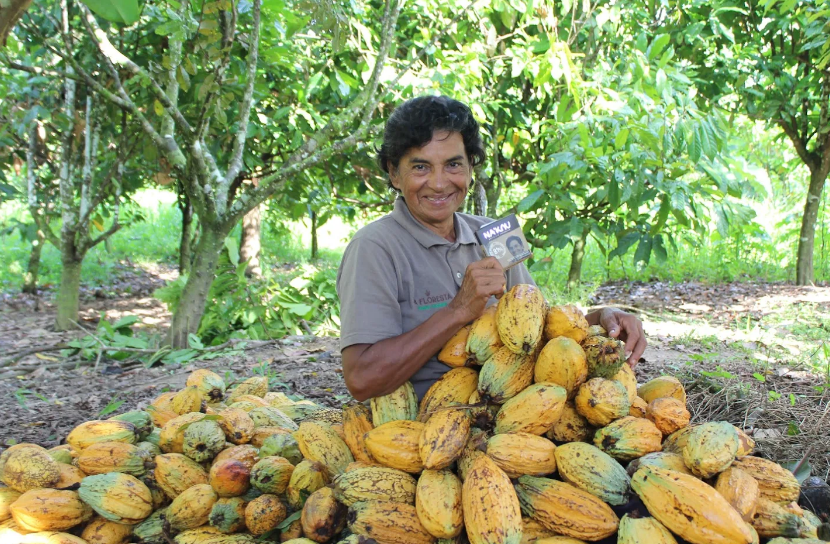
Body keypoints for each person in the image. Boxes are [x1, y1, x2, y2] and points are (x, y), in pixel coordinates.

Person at [336, 95, 646, 402]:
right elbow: (362, 379)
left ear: (471, 166)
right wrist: (458, 310)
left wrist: (605, 317)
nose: (440, 183)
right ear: (394, 173)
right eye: (421, 167)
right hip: (426, 432)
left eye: (453, 164)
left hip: (514, 415)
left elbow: (540, 332)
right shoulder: (373, 249)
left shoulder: (494, 234)